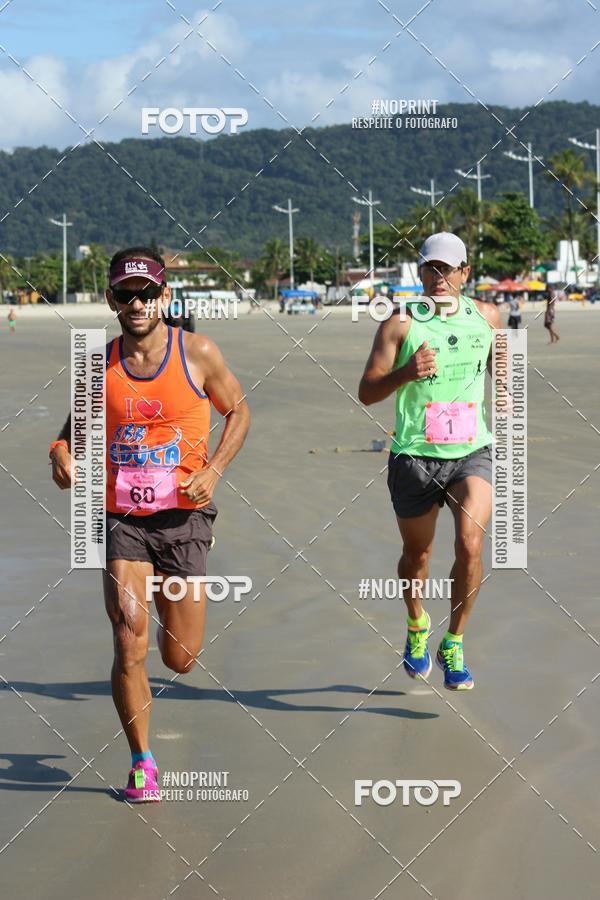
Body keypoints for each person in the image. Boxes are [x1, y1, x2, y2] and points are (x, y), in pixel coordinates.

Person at [49, 247, 250, 802]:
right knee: (127, 636)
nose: (136, 304)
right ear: (110, 299)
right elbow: (73, 430)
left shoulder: (198, 353)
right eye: (125, 294)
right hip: (121, 518)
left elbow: (239, 411)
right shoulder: (98, 364)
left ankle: (169, 606)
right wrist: (61, 453)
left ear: (165, 295)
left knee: (180, 657)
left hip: (184, 516)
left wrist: (213, 469)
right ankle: (141, 762)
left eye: (146, 293)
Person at [358, 232, 501, 691]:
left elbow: (504, 375)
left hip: (472, 453)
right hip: (415, 457)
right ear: (420, 272)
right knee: (417, 555)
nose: (439, 277)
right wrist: (406, 372)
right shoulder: (399, 324)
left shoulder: (489, 317)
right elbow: (367, 392)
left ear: (465, 273)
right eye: (430, 268)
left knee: (470, 545)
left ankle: (453, 641)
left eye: (447, 268)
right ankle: (417, 622)